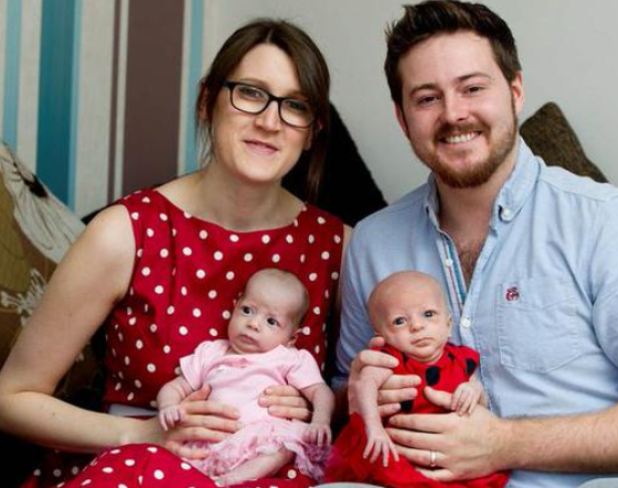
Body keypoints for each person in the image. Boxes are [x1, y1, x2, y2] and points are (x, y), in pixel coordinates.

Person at [334, 2, 618, 488]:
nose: (454, 113)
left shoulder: (606, 222)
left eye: (473, 88)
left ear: (515, 91)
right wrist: (358, 392)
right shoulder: (373, 242)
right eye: (426, 98)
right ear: (402, 118)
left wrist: (502, 443)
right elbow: (345, 394)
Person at [0, 18, 348, 488]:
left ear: (312, 131)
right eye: (250, 93)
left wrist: (318, 406)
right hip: (140, 471)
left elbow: (371, 382)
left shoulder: (338, 246)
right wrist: (139, 432)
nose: (270, 121)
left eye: (295, 106)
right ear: (207, 100)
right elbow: (12, 396)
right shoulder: (126, 232)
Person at [325, 271, 508, 488]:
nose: (417, 326)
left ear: (448, 324)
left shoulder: (460, 360)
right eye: (400, 321)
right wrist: (374, 428)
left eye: (428, 314)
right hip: (399, 449)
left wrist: (472, 390)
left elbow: (480, 398)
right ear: (380, 333)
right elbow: (364, 385)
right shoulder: (390, 360)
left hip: (453, 451)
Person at [157, 268, 334, 486]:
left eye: (271, 321)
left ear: (291, 338)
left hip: (261, 438)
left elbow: (320, 391)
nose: (254, 323)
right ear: (234, 308)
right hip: (211, 442)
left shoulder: (289, 358)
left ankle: (234, 478)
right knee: (173, 460)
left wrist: (320, 420)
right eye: (248, 310)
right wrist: (168, 406)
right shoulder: (211, 352)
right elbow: (176, 387)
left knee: (284, 445)